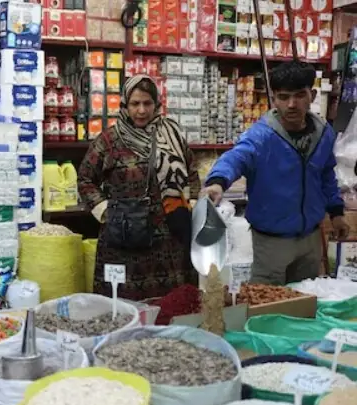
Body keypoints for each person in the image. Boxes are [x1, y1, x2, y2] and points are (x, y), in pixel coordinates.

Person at [203, 61, 349, 285]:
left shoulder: (323, 133)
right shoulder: (261, 136)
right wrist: (217, 182)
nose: (291, 104)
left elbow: (326, 175)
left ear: (313, 94)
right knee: (267, 306)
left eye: (300, 95)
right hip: (271, 243)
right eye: (283, 97)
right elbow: (236, 157)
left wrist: (336, 213)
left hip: (310, 239)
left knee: (305, 304)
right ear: (274, 99)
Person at [78, 74, 200, 299]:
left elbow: (192, 173)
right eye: (135, 104)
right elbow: (85, 179)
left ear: (157, 105)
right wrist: (105, 211)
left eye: (147, 103)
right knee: (123, 306)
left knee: (170, 304)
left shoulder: (171, 135)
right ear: (125, 105)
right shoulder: (109, 141)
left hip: (168, 240)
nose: (141, 110)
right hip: (125, 236)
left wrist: (189, 205)